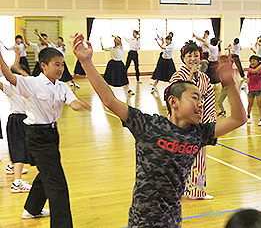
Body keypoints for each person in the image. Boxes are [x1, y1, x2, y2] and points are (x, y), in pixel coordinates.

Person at [72, 33, 247, 227]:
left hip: (173, 219)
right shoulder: (148, 125)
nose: (200, 104)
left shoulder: (198, 134)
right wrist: (87, 62)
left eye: (201, 99)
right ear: (173, 102)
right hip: (143, 220)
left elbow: (238, 119)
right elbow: (109, 100)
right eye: (194, 98)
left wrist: (230, 84)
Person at [0, 47, 90, 227]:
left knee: (47, 172)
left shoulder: (63, 86)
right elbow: (10, 77)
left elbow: (72, 102)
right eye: (56, 64)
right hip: (36, 135)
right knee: (57, 184)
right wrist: (0, 57)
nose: (61, 68)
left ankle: (32, 209)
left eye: (62, 64)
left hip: (52, 134)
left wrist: (79, 104)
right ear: (44, 66)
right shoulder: (31, 83)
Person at [169, 40, 217, 200]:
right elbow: (172, 97)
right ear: (183, 58)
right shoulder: (178, 76)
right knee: (178, 158)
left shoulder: (204, 77)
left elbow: (209, 98)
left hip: (198, 124)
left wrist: (209, 121)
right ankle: (175, 189)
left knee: (199, 158)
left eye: (196, 55)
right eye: (189, 56)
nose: (193, 59)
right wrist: (188, 80)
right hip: (180, 125)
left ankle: (197, 191)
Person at [1, 48, 34, 192]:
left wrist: (18, 58)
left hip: (25, 120)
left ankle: (12, 166)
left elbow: (26, 76)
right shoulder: (11, 88)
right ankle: (17, 183)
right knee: (19, 148)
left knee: (21, 147)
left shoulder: (28, 86)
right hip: (17, 120)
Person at [247, 55, 261, 126]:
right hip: (251, 89)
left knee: (260, 104)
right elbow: (255, 71)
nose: (252, 62)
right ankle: (248, 116)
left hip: (259, 89)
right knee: (250, 104)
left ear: (258, 62)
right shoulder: (249, 70)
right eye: (251, 61)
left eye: (254, 61)